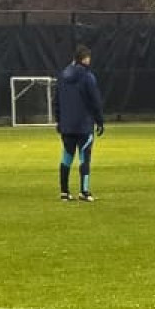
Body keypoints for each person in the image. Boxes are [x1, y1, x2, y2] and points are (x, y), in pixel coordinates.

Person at [54, 44, 105, 202]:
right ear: (85, 59)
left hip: (67, 125)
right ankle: (84, 191)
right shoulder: (87, 77)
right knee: (84, 158)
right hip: (84, 125)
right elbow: (94, 100)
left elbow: (56, 101)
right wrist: (100, 121)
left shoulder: (62, 76)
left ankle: (64, 192)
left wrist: (59, 121)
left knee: (67, 157)